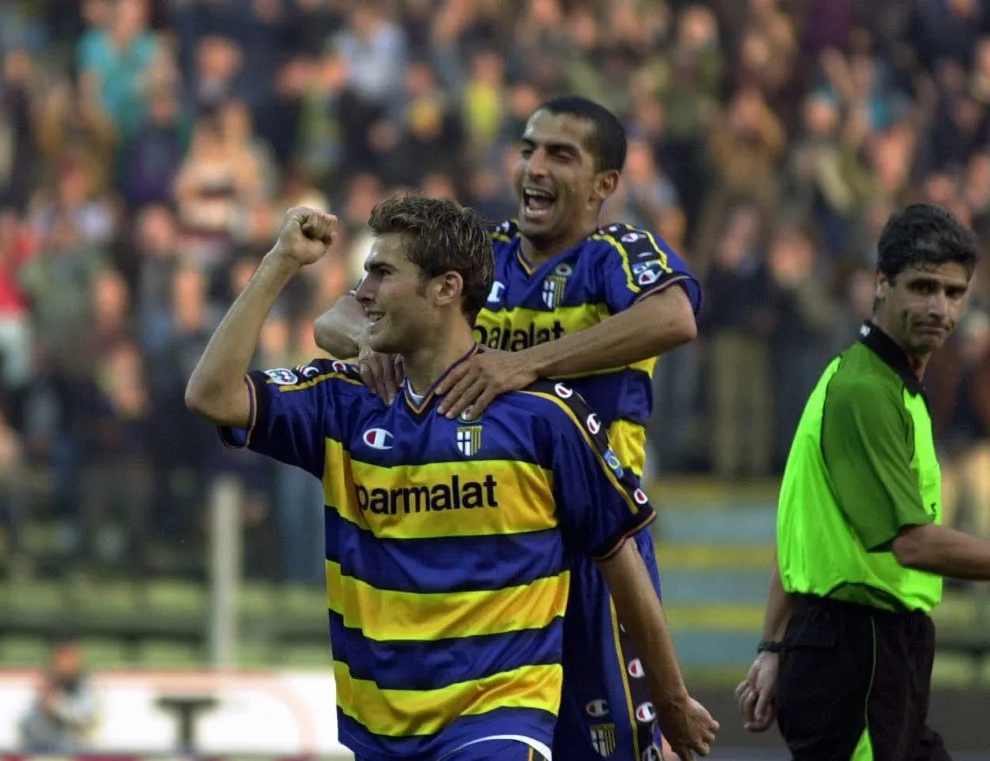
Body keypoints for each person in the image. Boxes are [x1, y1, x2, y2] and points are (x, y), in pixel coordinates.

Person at [185, 196, 719, 761]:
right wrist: (280, 261)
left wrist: (672, 699)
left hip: (499, 720)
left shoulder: (544, 418)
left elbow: (620, 558)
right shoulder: (343, 402)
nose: (362, 293)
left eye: (382, 273)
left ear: (446, 288)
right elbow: (210, 394)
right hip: (381, 730)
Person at [314, 96, 700, 761]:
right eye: (527, 149)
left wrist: (528, 362)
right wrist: (374, 340)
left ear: (604, 184)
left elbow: (674, 318)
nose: (534, 166)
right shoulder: (480, 252)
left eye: (560, 154)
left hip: (595, 544)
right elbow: (334, 321)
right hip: (497, 552)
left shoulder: (615, 253)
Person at [735, 203, 988, 761]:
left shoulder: (876, 382)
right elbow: (911, 543)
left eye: (954, 292)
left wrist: (773, 644)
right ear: (881, 284)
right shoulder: (865, 392)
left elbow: (800, 531)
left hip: (867, 648)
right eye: (922, 287)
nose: (940, 308)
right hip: (858, 651)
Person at [20, 634, 98, 753]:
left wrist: (57, 706)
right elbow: (27, 726)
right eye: (59, 657)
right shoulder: (48, 683)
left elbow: (85, 717)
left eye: (67, 656)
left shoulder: (86, 684)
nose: (63, 663)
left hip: (80, 751)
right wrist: (43, 705)